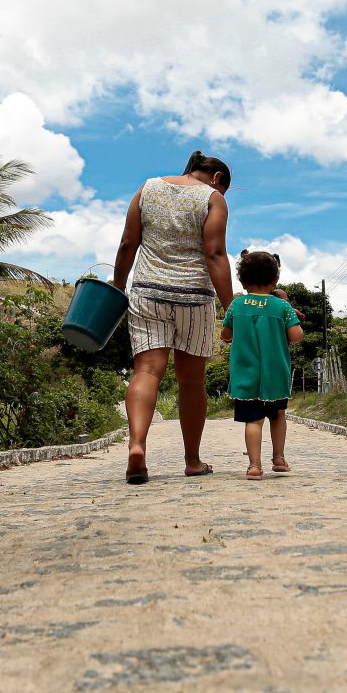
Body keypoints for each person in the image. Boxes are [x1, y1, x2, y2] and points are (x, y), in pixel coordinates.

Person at [112, 150, 234, 484]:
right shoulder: (213, 199)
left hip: (147, 292)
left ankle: (137, 446)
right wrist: (230, 309)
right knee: (191, 382)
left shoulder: (148, 188)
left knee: (147, 371)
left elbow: (127, 244)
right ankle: (192, 461)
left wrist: (117, 288)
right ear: (218, 178)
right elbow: (215, 254)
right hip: (194, 298)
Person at [221, 250, 304, 481]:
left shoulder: (237, 306)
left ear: (242, 280)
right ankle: (278, 458)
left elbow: (225, 333)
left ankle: (254, 466)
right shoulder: (282, 307)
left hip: (246, 375)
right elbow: (296, 336)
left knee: (253, 421)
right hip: (275, 374)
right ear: (275, 280)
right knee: (278, 415)